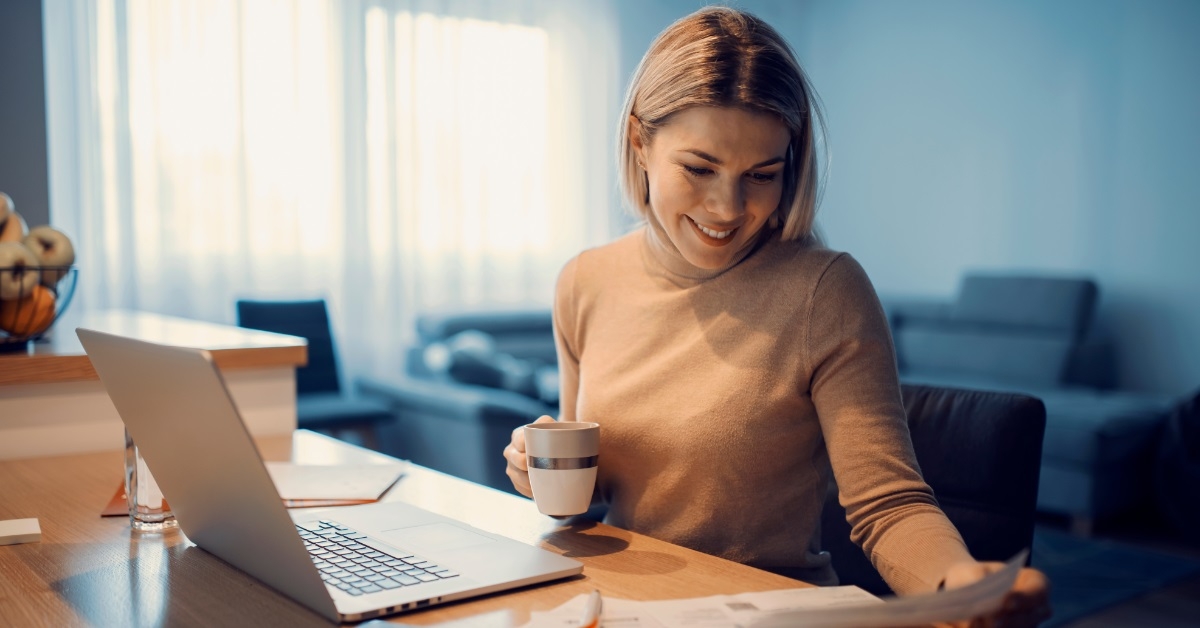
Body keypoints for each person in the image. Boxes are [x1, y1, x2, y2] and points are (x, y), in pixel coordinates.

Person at [503, 6, 1051, 626]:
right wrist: (539, 471)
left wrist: (959, 582)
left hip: (767, 613)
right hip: (623, 604)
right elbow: (590, 492)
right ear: (639, 142)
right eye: (699, 168)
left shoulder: (825, 290)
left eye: (761, 175)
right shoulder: (585, 281)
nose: (728, 208)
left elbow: (888, 507)